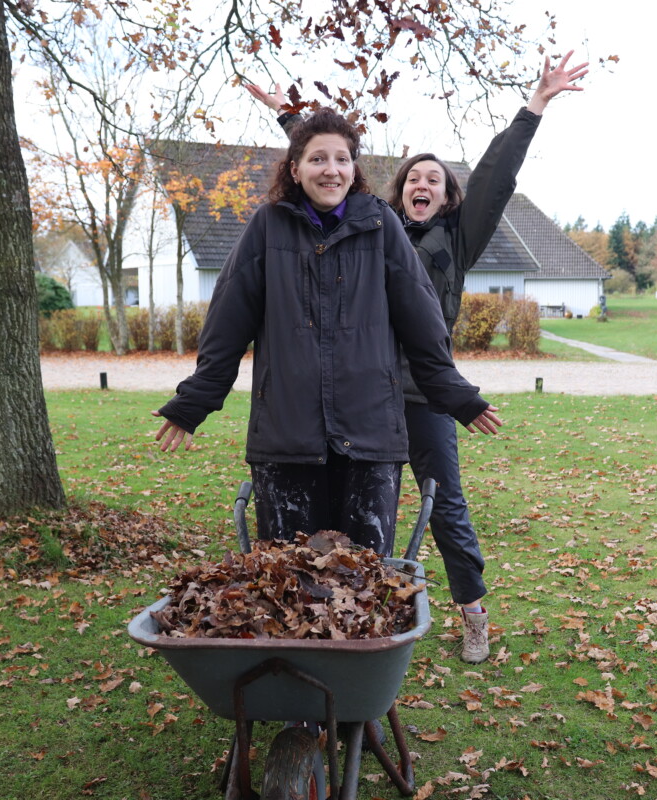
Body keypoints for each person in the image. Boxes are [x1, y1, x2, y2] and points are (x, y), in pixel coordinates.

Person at [245, 51, 588, 663]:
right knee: (338, 511)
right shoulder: (370, 227)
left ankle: (472, 612)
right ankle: (340, 621)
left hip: (421, 394)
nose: (422, 184)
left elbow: (495, 176)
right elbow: (328, 167)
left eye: (434, 179)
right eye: (412, 179)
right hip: (355, 395)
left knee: (443, 503)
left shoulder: (458, 237)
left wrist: (534, 105)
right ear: (396, 192)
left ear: (448, 195)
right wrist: (290, 118)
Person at [152, 108, 503, 562]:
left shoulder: (382, 226)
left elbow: (423, 324)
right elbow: (226, 324)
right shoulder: (267, 227)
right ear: (295, 169)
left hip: (370, 435)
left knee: (363, 581)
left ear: (354, 169)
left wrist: (457, 396)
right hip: (286, 436)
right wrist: (194, 401)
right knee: (288, 579)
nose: (331, 169)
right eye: (318, 159)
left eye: (342, 159)